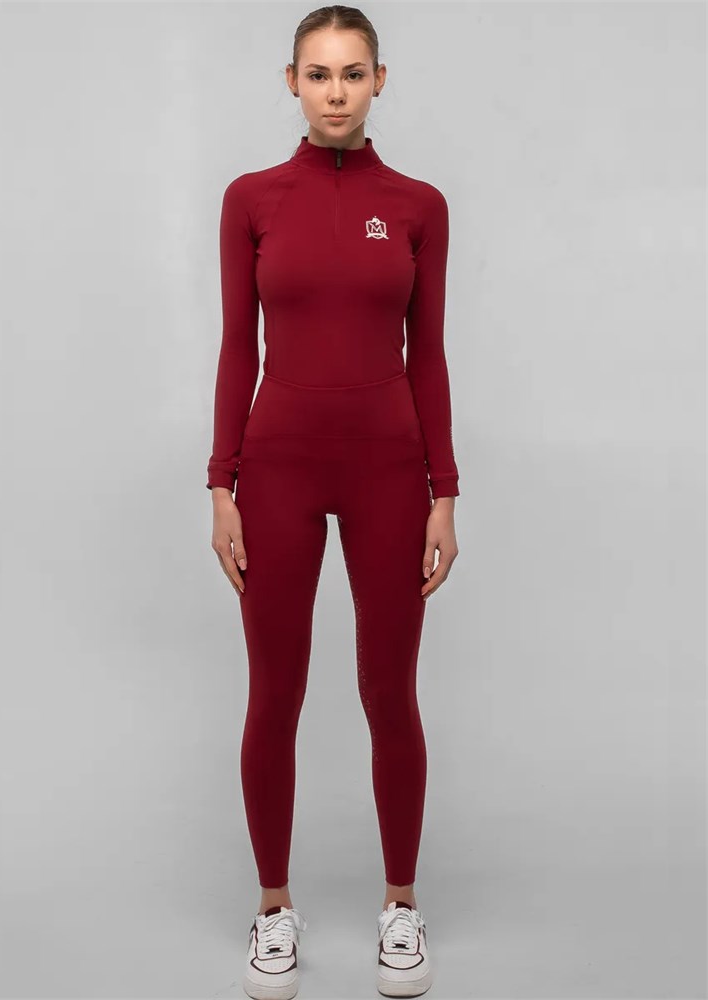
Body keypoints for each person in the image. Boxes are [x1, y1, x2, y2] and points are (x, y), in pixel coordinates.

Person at [206, 6, 460, 998]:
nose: (337, 92)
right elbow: (238, 347)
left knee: (390, 693)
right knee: (275, 693)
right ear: (292, 82)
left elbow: (428, 356)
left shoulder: (419, 206)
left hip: (389, 470)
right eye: (319, 74)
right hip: (278, 470)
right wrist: (221, 481)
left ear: (380, 80)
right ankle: (274, 910)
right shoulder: (251, 200)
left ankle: (401, 907)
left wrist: (445, 491)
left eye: (354, 73)